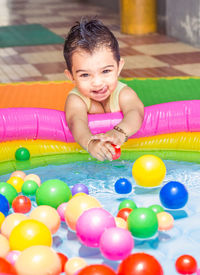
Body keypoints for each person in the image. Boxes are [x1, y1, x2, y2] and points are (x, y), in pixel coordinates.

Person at [63, 18, 144, 161]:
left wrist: (119, 132)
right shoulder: (76, 99)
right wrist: (90, 143)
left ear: (119, 67)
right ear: (71, 76)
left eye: (106, 71)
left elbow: (136, 112)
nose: (97, 83)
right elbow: (76, 122)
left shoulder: (123, 94)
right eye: (85, 75)